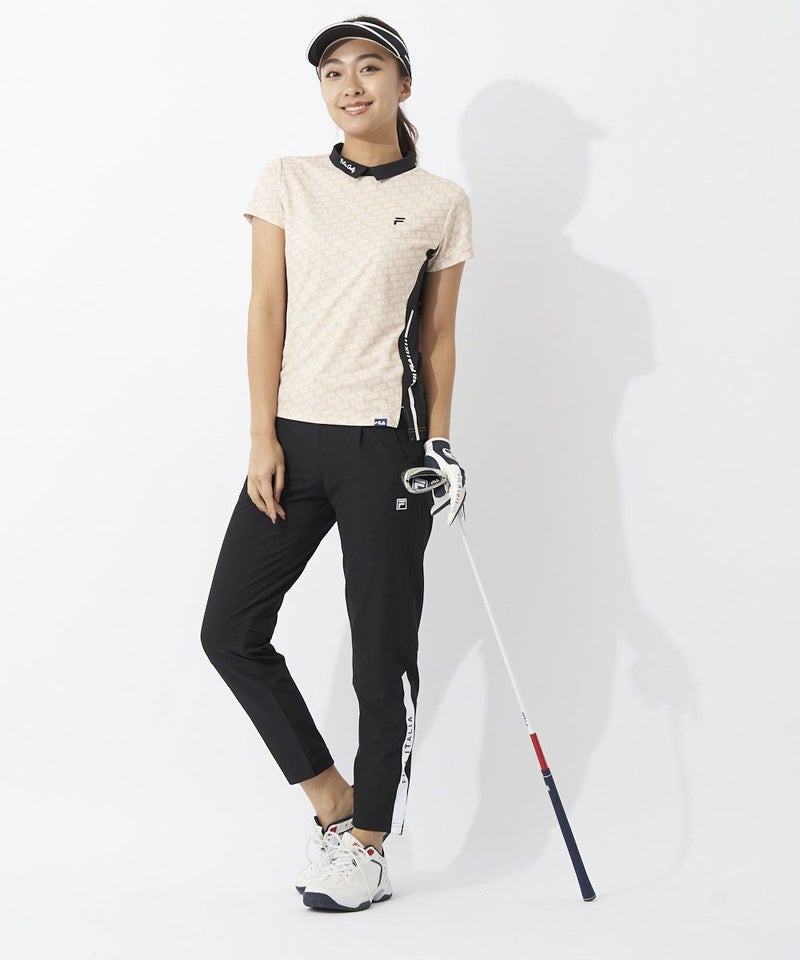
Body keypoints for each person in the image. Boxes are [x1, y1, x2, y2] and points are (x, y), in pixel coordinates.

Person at [200, 14, 474, 912]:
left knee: (380, 656)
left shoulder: (440, 202)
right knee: (231, 631)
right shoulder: (287, 180)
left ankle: (368, 845)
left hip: (384, 450)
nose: (350, 85)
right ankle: (332, 798)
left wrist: (439, 443)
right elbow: (265, 309)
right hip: (291, 439)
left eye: (369, 68)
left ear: (403, 84)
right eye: (332, 72)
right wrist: (261, 436)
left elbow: (437, 337)